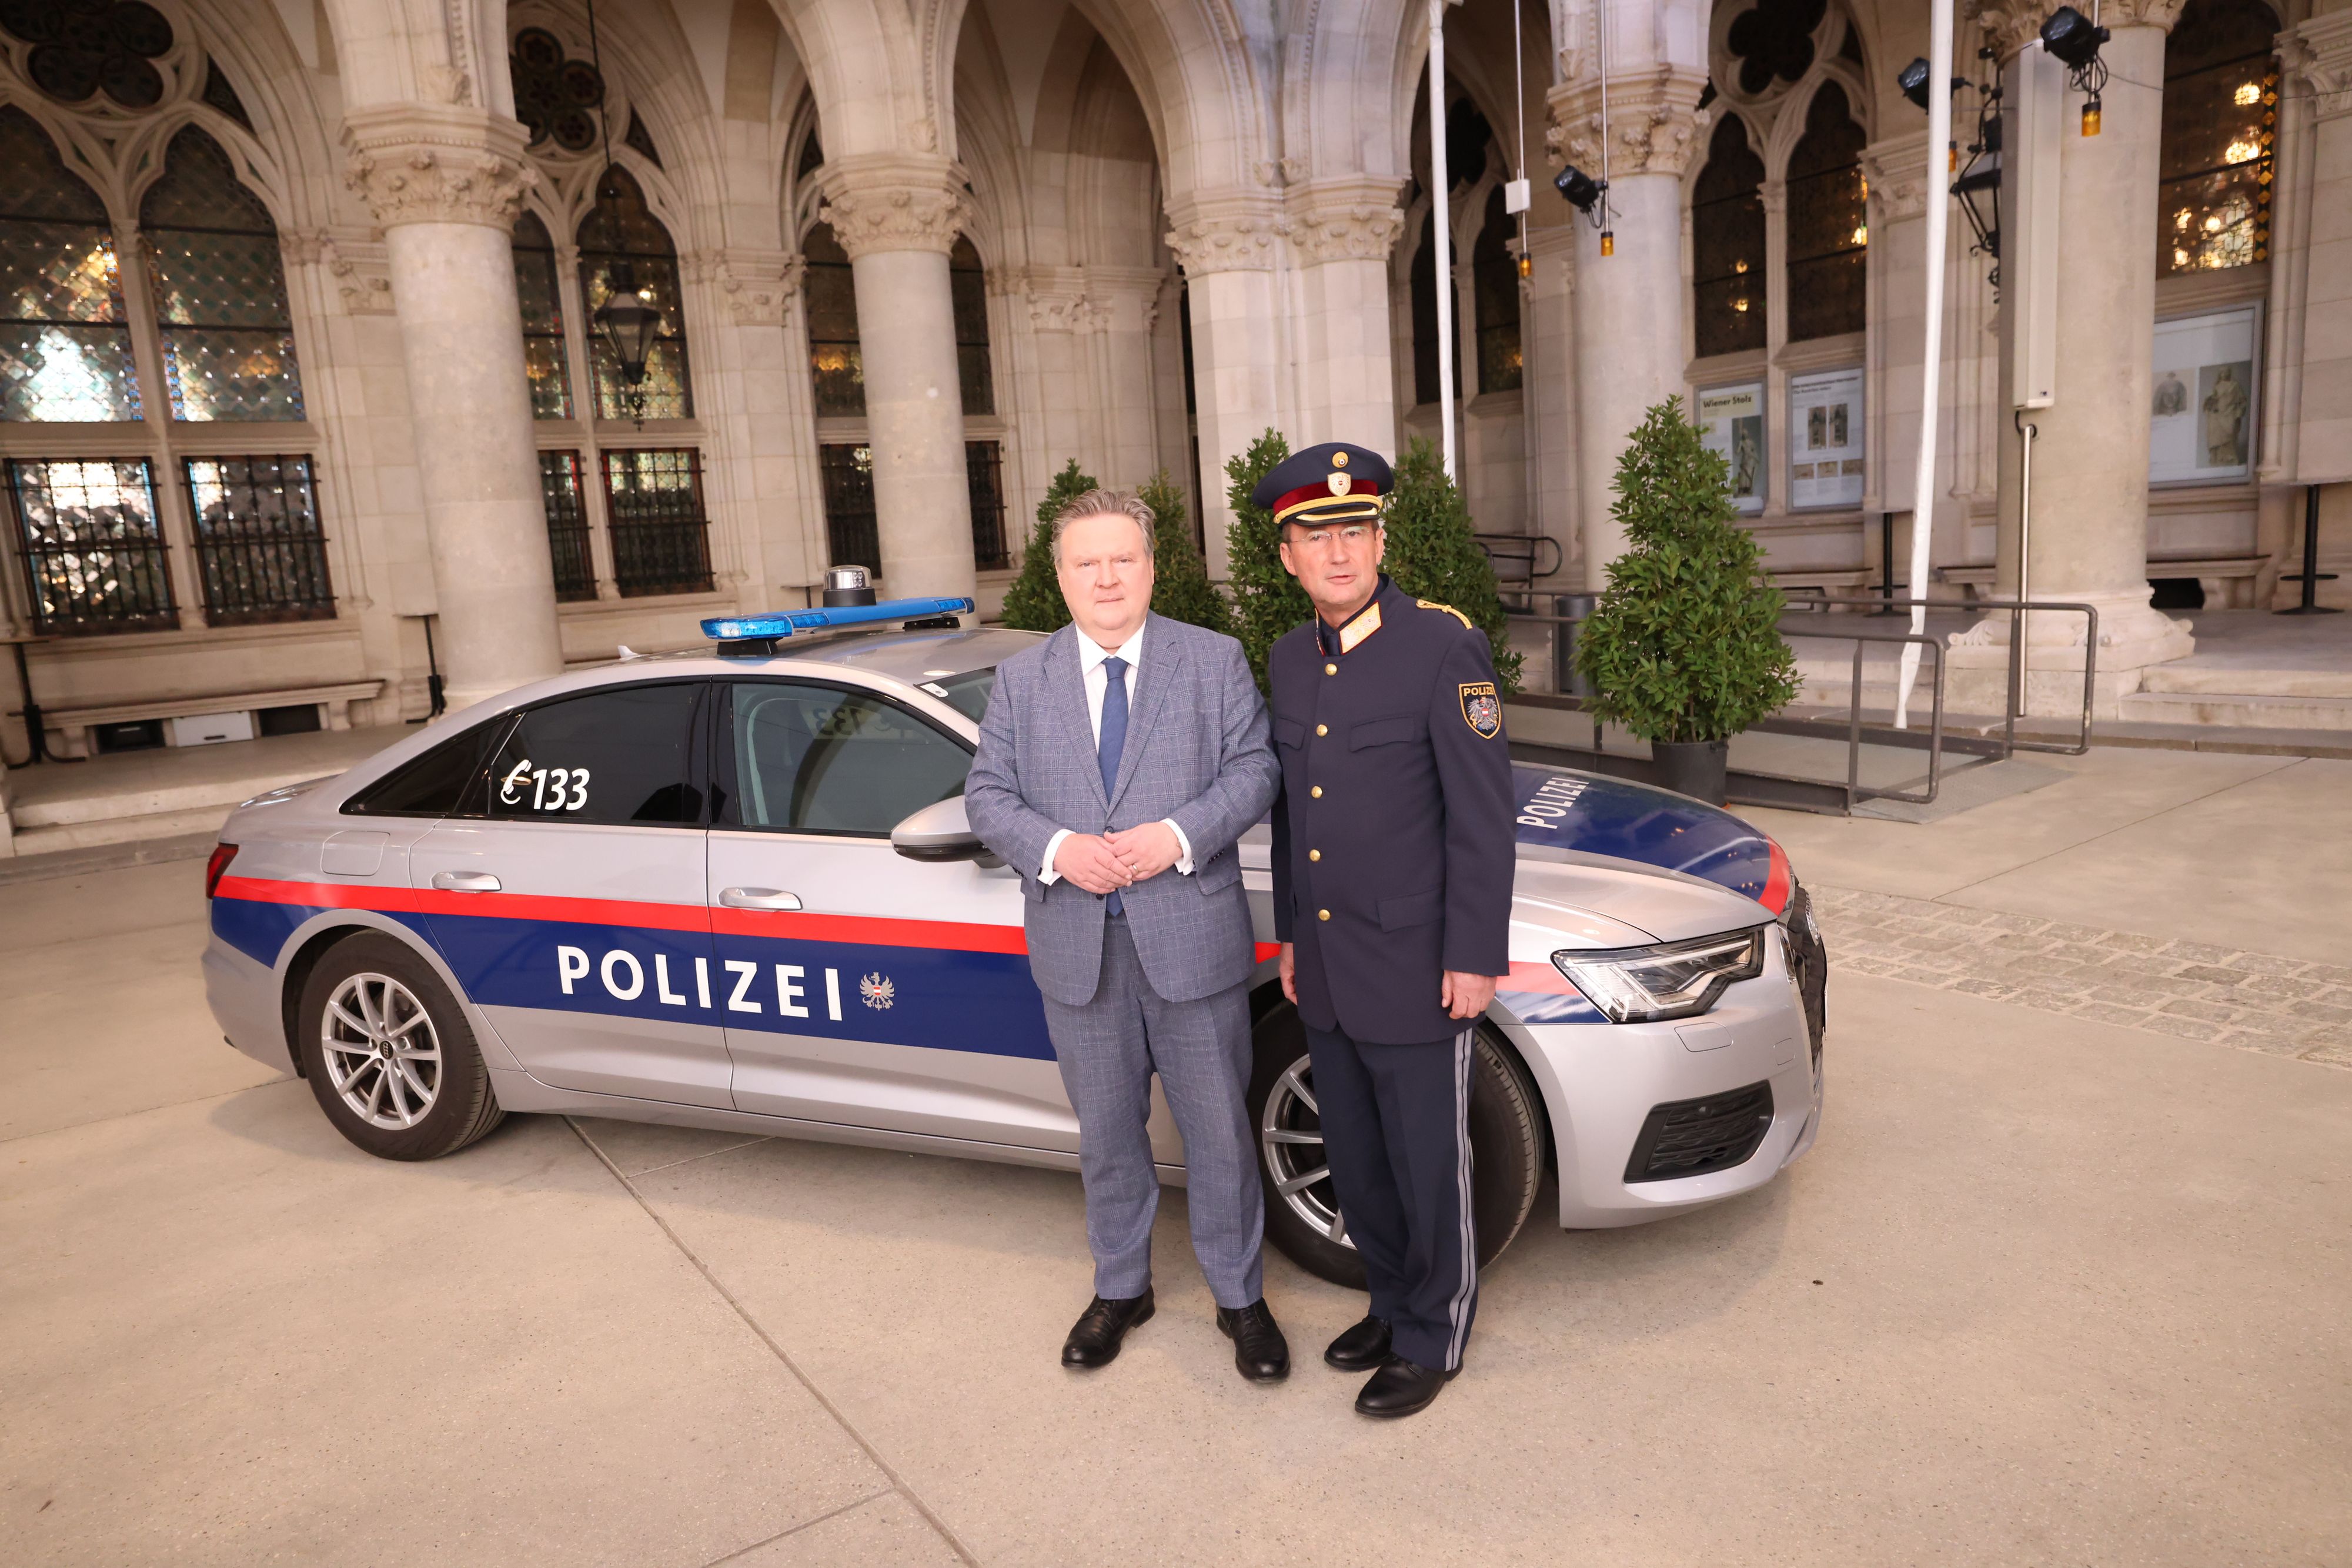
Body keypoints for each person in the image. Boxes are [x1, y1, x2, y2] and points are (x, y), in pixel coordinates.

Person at [965, 488, 1289, 1383]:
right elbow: (987, 795)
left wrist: (1178, 835)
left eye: (1123, 559)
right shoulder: (1022, 680)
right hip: (1080, 954)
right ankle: (1122, 1288)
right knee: (1108, 1135)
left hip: (1193, 944)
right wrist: (1059, 849)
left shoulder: (1213, 660)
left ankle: (1240, 1298)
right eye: (1087, 562)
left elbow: (1255, 769)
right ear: (1060, 576)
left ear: (1151, 567)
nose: (1106, 578)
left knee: (1220, 1134)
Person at [1255, 442, 1515, 1419]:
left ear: (1380, 542)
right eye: (1317, 538)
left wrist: (1473, 956)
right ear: (1288, 555)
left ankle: (1433, 1335)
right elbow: (1294, 816)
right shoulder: (1289, 657)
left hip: (1416, 966)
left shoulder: (1444, 647)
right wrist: (1291, 938)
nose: (1339, 553)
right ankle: (1391, 1302)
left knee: (1426, 1163)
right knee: (1359, 1162)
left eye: (1355, 532)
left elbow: (1482, 820)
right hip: (1326, 966)